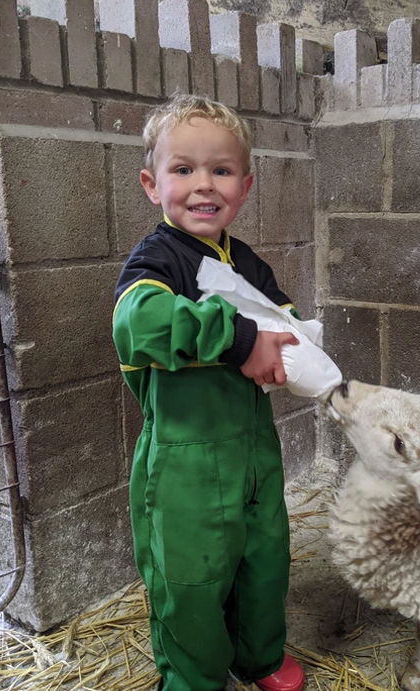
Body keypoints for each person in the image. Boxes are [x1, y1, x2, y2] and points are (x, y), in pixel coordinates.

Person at [112, 93, 305, 691]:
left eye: (221, 170)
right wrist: (242, 338)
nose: (204, 185)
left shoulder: (245, 261)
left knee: (263, 562)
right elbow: (139, 324)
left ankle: (260, 657)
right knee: (190, 581)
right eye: (183, 169)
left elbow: (284, 319)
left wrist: (299, 347)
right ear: (152, 183)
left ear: (244, 186)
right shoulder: (156, 259)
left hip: (253, 449)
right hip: (185, 460)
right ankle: (194, 680)